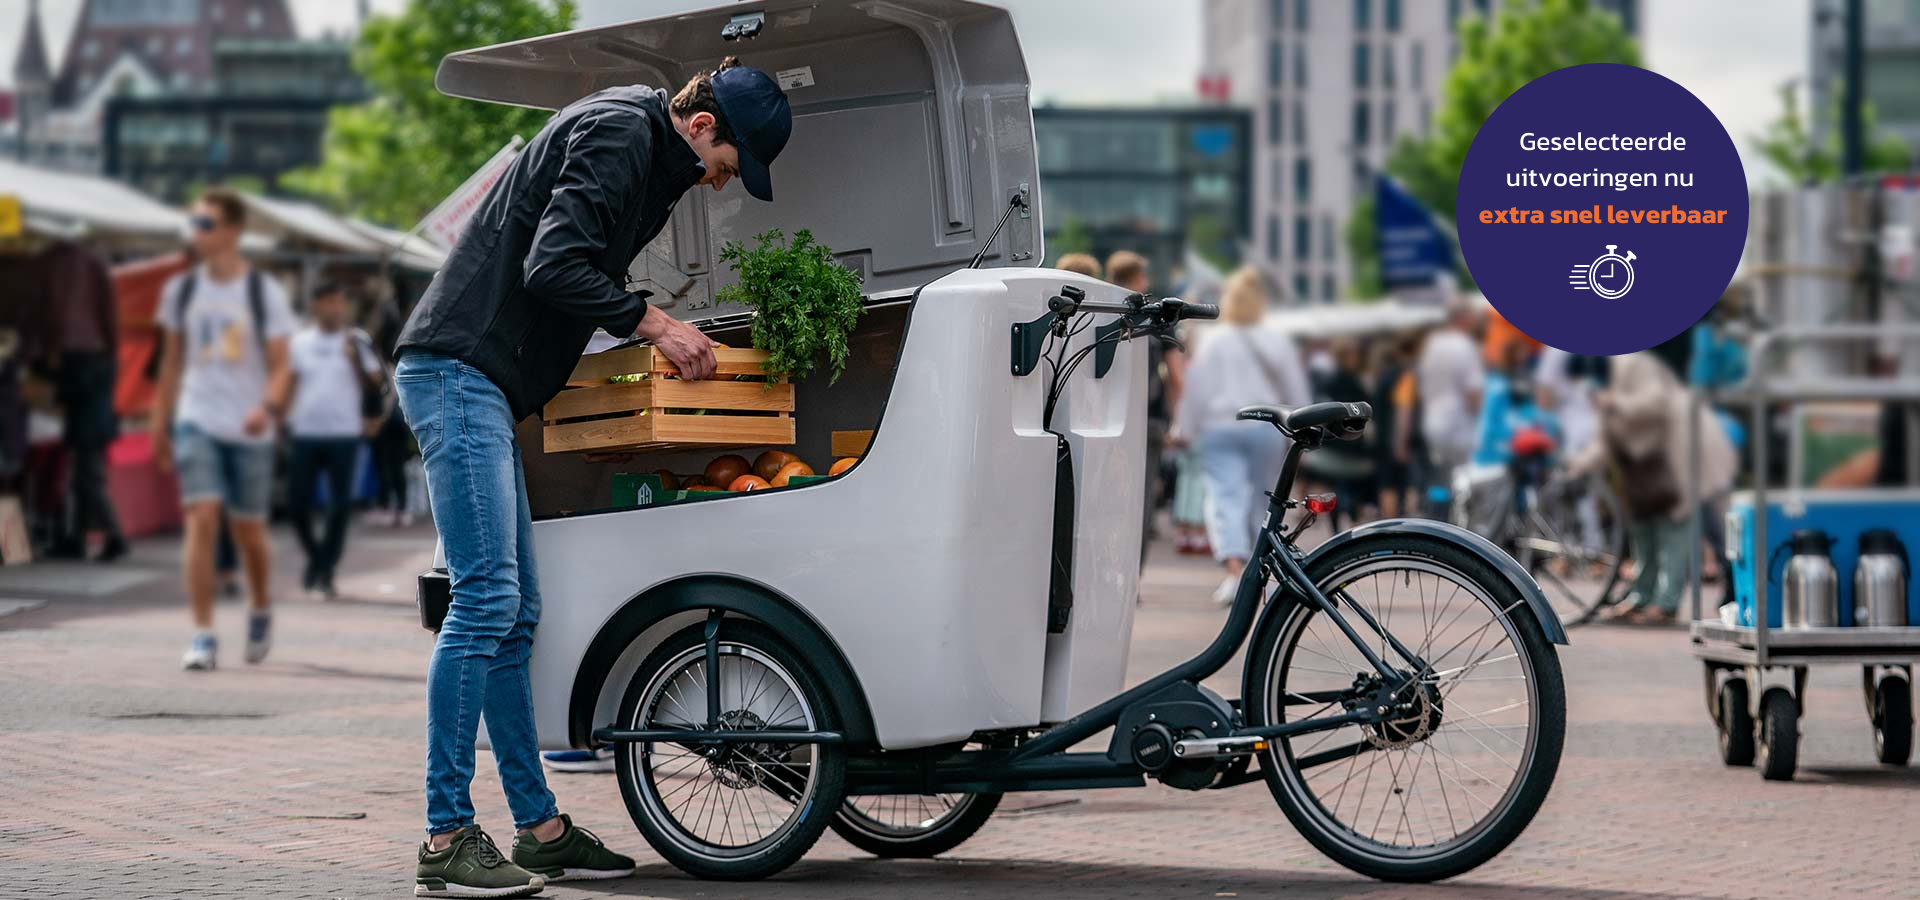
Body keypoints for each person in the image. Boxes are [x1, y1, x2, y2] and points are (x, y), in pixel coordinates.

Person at [394, 57, 791, 898]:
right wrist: (656, 325)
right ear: (704, 126)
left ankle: (538, 830)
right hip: (459, 372)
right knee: (485, 602)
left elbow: (576, 269)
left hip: (487, 385)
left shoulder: (646, 151)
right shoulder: (620, 132)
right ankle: (443, 836)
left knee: (515, 611)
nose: (725, 183)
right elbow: (553, 266)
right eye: (730, 164)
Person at [151, 189, 295, 671]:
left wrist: (267, 406)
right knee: (202, 517)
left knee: (249, 531)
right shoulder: (182, 291)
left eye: (206, 224)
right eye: (194, 222)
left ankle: (259, 607)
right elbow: (170, 363)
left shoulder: (263, 293)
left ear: (233, 231)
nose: (197, 232)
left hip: (249, 426)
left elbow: (280, 366)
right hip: (197, 419)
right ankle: (203, 634)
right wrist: (160, 423)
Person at [1172, 267, 1310, 606]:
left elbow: (1197, 390)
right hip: (1266, 428)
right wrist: (1304, 424)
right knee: (1262, 501)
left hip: (1220, 427)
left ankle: (1234, 573)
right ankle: (1255, 569)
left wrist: (1184, 429)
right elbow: (1295, 388)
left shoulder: (1214, 339)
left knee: (1224, 498)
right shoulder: (1275, 338)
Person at [1575, 351, 1734, 625]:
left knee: (1678, 531)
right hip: (1646, 467)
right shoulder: (1600, 377)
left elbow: (1656, 403)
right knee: (1644, 532)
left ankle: (1667, 603)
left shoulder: (1632, 363)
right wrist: (1577, 466)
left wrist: (1615, 402)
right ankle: (1642, 597)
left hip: (1680, 455)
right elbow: (1607, 437)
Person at [285, 282, 383, 599]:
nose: (335, 308)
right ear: (315, 306)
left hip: (344, 433)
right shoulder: (299, 343)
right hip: (305, 432)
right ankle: (318, 559)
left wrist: (354, 358)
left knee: (339, 506)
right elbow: (288, 381)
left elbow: (376, 381)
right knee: (296, 504)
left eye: (340, 302)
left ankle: (325, 572)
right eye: (329, 302)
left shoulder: (356, 340)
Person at [1106, 250, 1167, 566]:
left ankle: (1113, 568)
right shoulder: (1148, 320)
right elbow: (1159, 382)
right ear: (1135, 278)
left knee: (1110, 501)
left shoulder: (1102, 311)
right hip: (1145, 421)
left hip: (1107, 421)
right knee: (1138, 503)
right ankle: (1132, 574)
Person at [1416, 301, 1486, 515]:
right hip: (1458, 423)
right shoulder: (1465, 346)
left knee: (1439, 479)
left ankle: (1435, 520)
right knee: (1463, 480)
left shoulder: (1433, 345)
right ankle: (1458, 530)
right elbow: (1473, 393)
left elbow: (1422, 384)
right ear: (1463, 319)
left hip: (1433, 421)